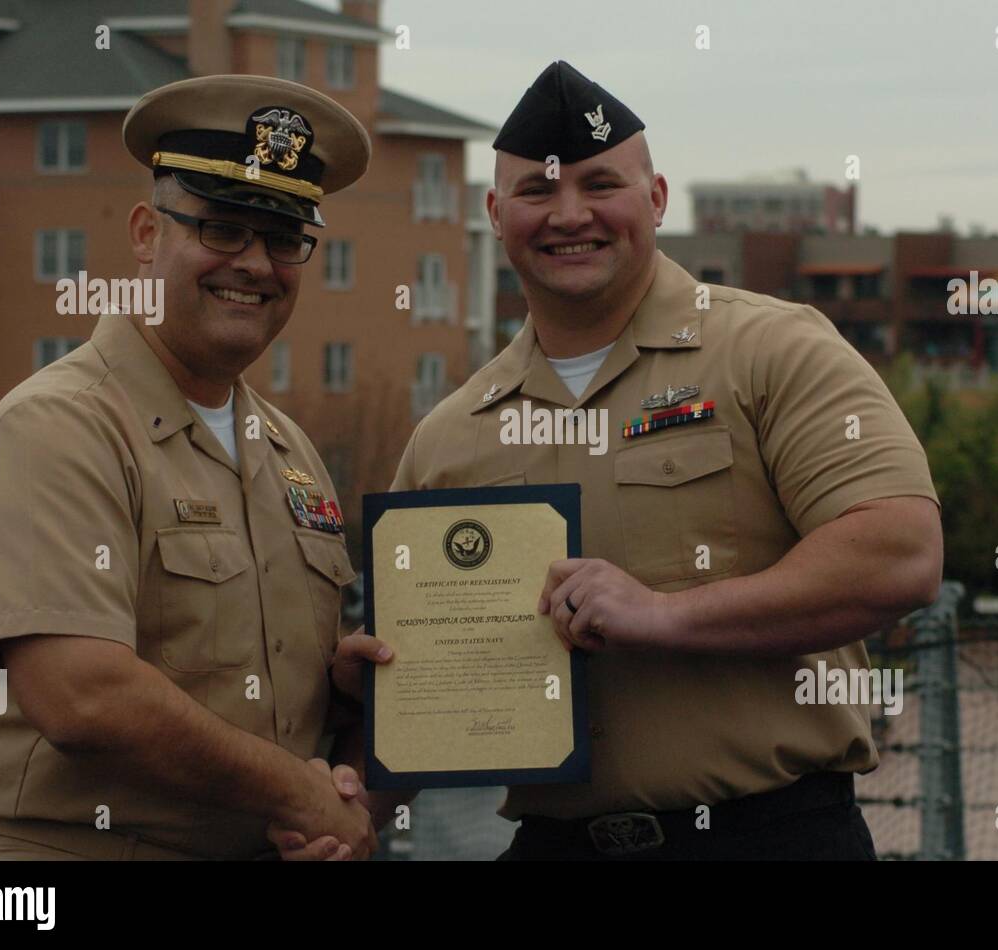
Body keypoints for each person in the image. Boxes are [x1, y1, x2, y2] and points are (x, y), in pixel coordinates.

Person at [357, 61, 943, 860]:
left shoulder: (771, 349)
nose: (570, 215)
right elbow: (420, 701)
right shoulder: (452, 435)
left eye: (601, 184)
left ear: (658, 198)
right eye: (537, 191)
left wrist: (663, 616)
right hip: (554, 844)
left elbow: (899, 554)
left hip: (767, 837)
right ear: (495, 213)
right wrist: (344, 799)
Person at [0, 74, 384, 861]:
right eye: (222, 229)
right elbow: (83, 695)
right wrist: (300, 794)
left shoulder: (289, 452)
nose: (254, 263)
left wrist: (338, 693)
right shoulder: (59, 427)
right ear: (146, 233)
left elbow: (247, 676)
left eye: (283, 240)